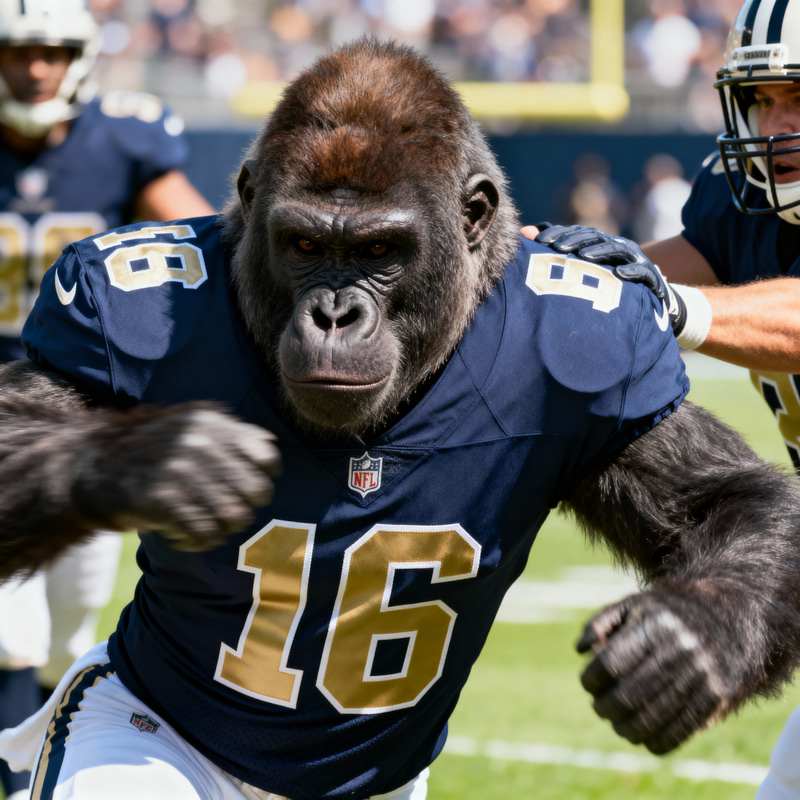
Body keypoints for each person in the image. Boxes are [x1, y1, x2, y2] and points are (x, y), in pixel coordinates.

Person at [0, 36, 799, 800]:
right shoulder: (159, 304)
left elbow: (745, 512)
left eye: (379, 253)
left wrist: (717, 612)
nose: (334, 312)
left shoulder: (559, 334)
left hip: (378, 779)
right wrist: (104, 461)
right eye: (304, 249)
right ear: (248, 206)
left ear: (473, 222)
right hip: (158, 732)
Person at [528, 0, 800, 795]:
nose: (776, 124)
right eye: (762, 99)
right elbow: (643, 279)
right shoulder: (742, 202)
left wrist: (675, 309)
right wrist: (542, 279)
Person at [0, 2, 214, 798]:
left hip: (84, 414)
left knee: (68, 631)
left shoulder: (125, 141)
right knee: (10, 629)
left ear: (79, 58)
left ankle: (41, 755)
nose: (35, 69)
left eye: (52, 51)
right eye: (18, 52)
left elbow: (205, 243)